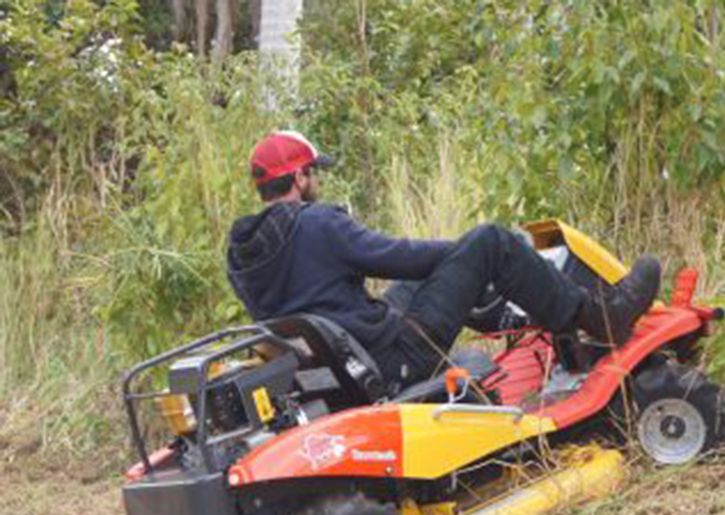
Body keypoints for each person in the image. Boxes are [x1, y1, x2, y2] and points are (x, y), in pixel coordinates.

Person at [226, 130, 660, 393]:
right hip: (392, 360)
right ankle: (606, 317)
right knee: (489, 242)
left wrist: (460, 261)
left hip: (343, 364)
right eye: (314, 173)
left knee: (455, 266)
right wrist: (470, 251)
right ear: (300, 177)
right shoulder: (316, 223)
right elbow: (397, 256)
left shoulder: (242, 252)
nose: (317, 180)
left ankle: (521, 314)